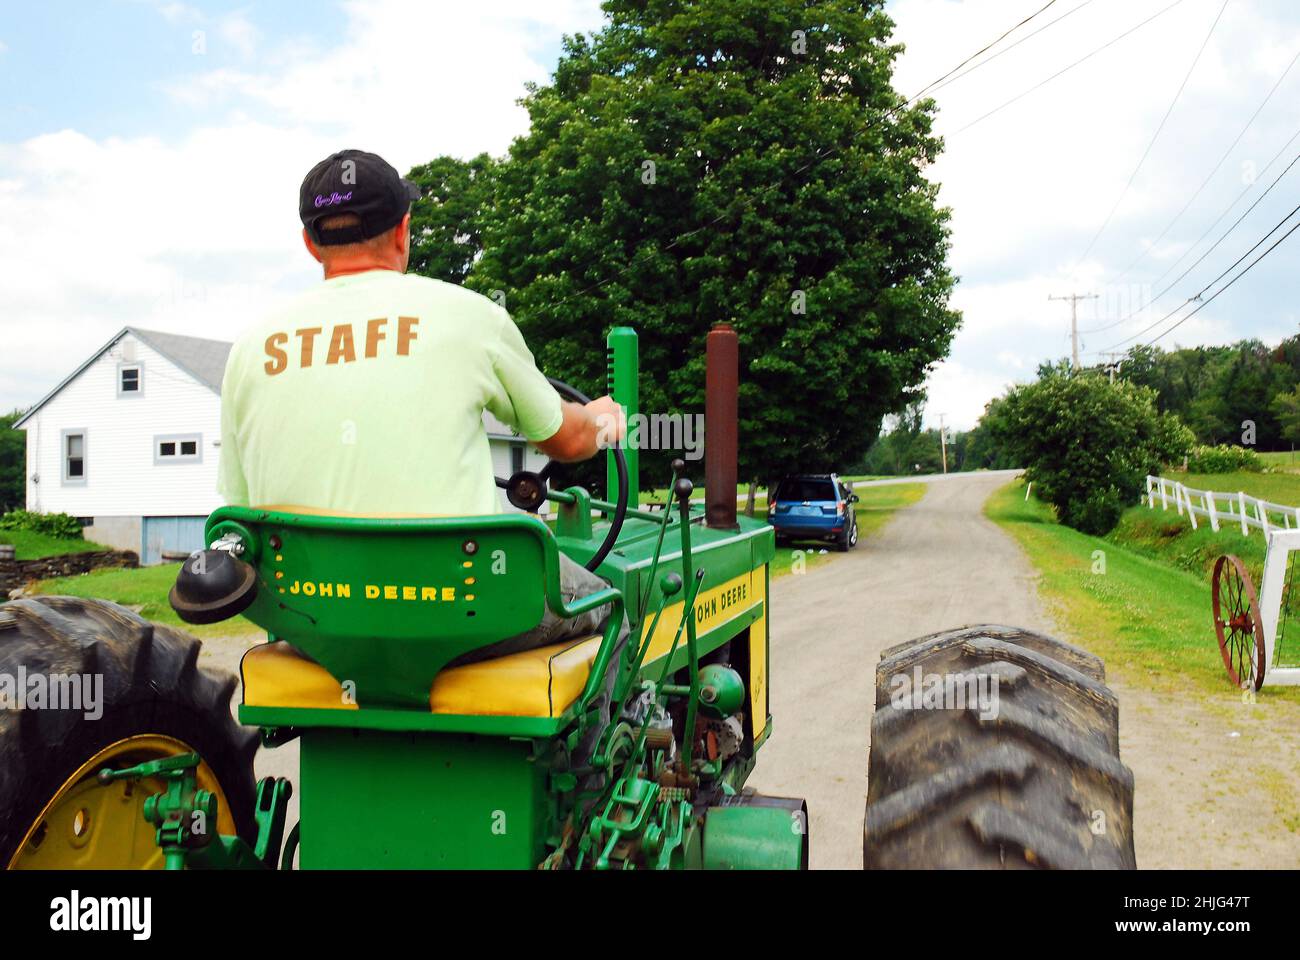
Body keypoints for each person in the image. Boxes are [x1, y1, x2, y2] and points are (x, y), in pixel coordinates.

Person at [218, 148, 627, 671]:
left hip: (314, 624)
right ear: (402, 230)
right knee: (614, 605)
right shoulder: (472, 316)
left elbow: (240, 506)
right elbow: (566, 442)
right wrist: (601, 419)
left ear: (310, 243)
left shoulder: (250, 347)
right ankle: (604, 749)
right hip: (465, 612)